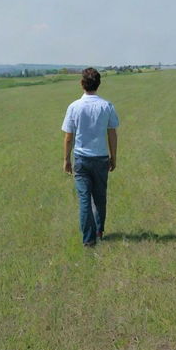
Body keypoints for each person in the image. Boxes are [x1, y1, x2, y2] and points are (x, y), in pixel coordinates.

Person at [61, 67, 119, 247]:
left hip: (81, 159)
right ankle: (99, 231)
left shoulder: (74, 107)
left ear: (81, 84)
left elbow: (69, 136)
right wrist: (113, 157)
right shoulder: (107, 106)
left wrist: (66, 160)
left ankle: (88, 240)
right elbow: (112, 134)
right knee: (100, 198)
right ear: (99, 84)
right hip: (101, 158)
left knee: (84, 200)